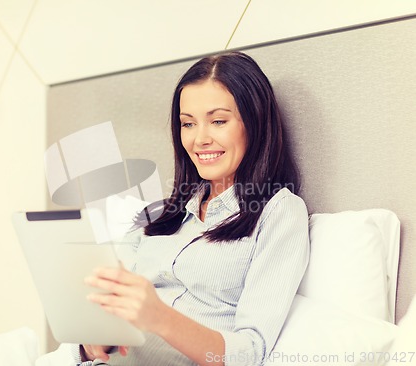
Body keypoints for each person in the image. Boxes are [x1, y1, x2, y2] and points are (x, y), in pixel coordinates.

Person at [74, 51, 310, 366]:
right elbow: (111, 312)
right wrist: (93, 340)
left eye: (218, 121)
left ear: (254, 123)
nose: (199, 139)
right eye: (188, 123)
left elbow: (251, 353)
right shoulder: (159, 216)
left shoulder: (278, 213)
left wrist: (159, 317)